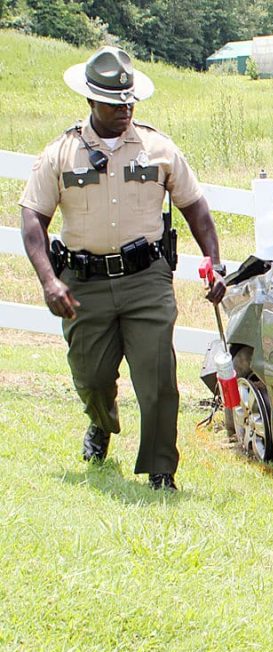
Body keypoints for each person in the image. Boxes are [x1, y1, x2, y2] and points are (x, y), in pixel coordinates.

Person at [19, 46, 227, 491]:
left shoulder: (159, 149)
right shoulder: (61, 154)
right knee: (92, 377)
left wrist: (214, 261)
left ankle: (160, 469)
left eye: (129, 101)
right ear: (91, 100)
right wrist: (49, 281)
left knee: (158, 378)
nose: (125, 110)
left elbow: (197, 209)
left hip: (146, 279)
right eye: (114, 103)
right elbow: (33, 218)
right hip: (84, 283)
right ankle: (101, 422)